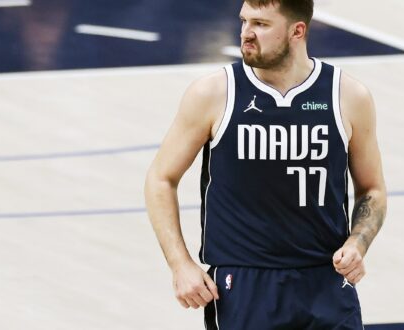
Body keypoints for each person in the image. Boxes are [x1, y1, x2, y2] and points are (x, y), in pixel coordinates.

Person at [144, 0, 387, 328]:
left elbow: (372, 189)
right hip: (244, 283)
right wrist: (180, 264)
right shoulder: (215, 93)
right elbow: (160, 178)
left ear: (296, 31)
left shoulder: (347, 96)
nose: (246, 33)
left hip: (326, 281)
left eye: (261, 24)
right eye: (244, 21)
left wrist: (358, 243)